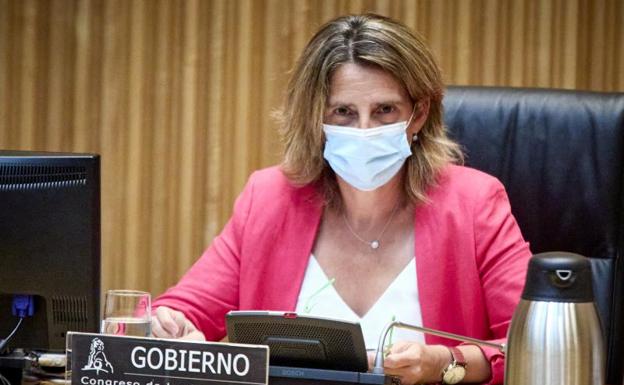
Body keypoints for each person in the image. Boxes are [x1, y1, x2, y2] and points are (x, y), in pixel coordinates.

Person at [151, 13, 531, 385]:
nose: (364, 130)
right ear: (316, 118)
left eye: (384, 110)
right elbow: (185, 310)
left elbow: (530, 346)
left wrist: (447, 363)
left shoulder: (475, 203)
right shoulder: (268, 199)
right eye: (343, 112)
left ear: (418, 114)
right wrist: (169, 324)